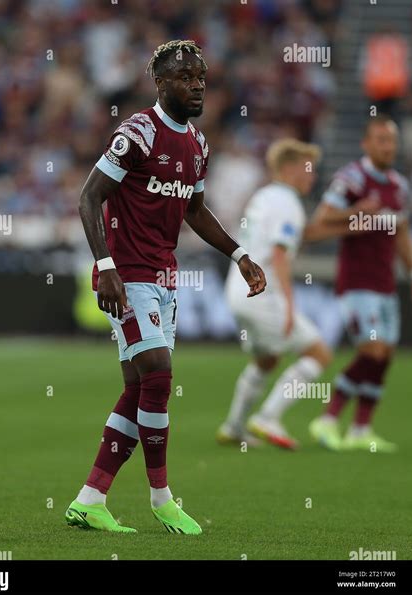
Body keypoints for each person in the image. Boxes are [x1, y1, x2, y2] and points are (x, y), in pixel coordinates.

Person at [65, 40, 266, 535]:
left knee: (138, 389)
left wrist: (239, 255)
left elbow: (194, 209)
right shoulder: (136, 133)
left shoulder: (197, 144)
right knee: (157, 376)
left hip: (164, 278)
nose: (196, 84)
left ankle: (90, 499)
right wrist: (106, 265)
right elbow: (89, 198)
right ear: (160, 83)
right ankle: (162, 499)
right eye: (183, 76)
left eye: (200, 77)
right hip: (126, 274)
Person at [309, 115, 412, 452]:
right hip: (356, 282)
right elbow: (321, 219)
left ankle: (361, 429)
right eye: (381, 140)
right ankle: (327, 419)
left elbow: (400, 232)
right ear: (366, 144)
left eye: (392, 141)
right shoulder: (351, 178)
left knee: (384, 355)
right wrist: (357, 211)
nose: (388, 147)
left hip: (385, 282)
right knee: (371, 349)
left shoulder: (399, 185)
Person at [217, 139, 332, 450]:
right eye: (309, 169)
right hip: (264, 294)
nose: (312, 176)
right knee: (319, 353)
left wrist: (348, 225)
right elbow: (280, 255)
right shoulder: (288, 203)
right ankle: (268, 416)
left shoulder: (264, 196)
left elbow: (298, 236)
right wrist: (291, 306)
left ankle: (234, 426)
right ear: (291, 169)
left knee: (267, 359)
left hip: (237, 292)